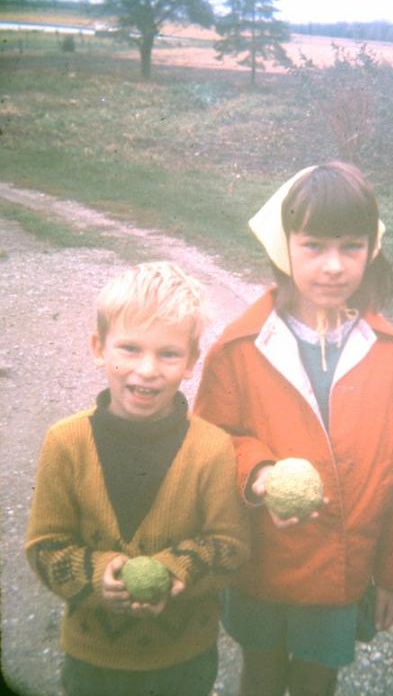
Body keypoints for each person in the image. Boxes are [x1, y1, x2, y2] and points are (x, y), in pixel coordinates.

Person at [194, 161, 393, 696]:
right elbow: (211, 441)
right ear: (283, 246)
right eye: (314, 245)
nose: (334, 265)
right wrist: (261, 475)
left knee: (318, 681)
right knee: (262, 676)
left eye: (352, 245)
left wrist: (391, 571)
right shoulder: (240, 348)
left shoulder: (392, 354)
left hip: (341, 573)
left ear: (373, 247)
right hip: (262, 564)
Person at [25, 261, 251, 696]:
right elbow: (44, 547)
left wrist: (174, 569)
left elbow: (232, 546)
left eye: (168, 354)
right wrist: (97, 576)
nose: (147, 370)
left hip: (184, 660)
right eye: (129, 348)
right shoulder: (65, 442)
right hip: (93, 661)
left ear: (190, 362)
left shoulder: (212, 447)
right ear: (98, 348)